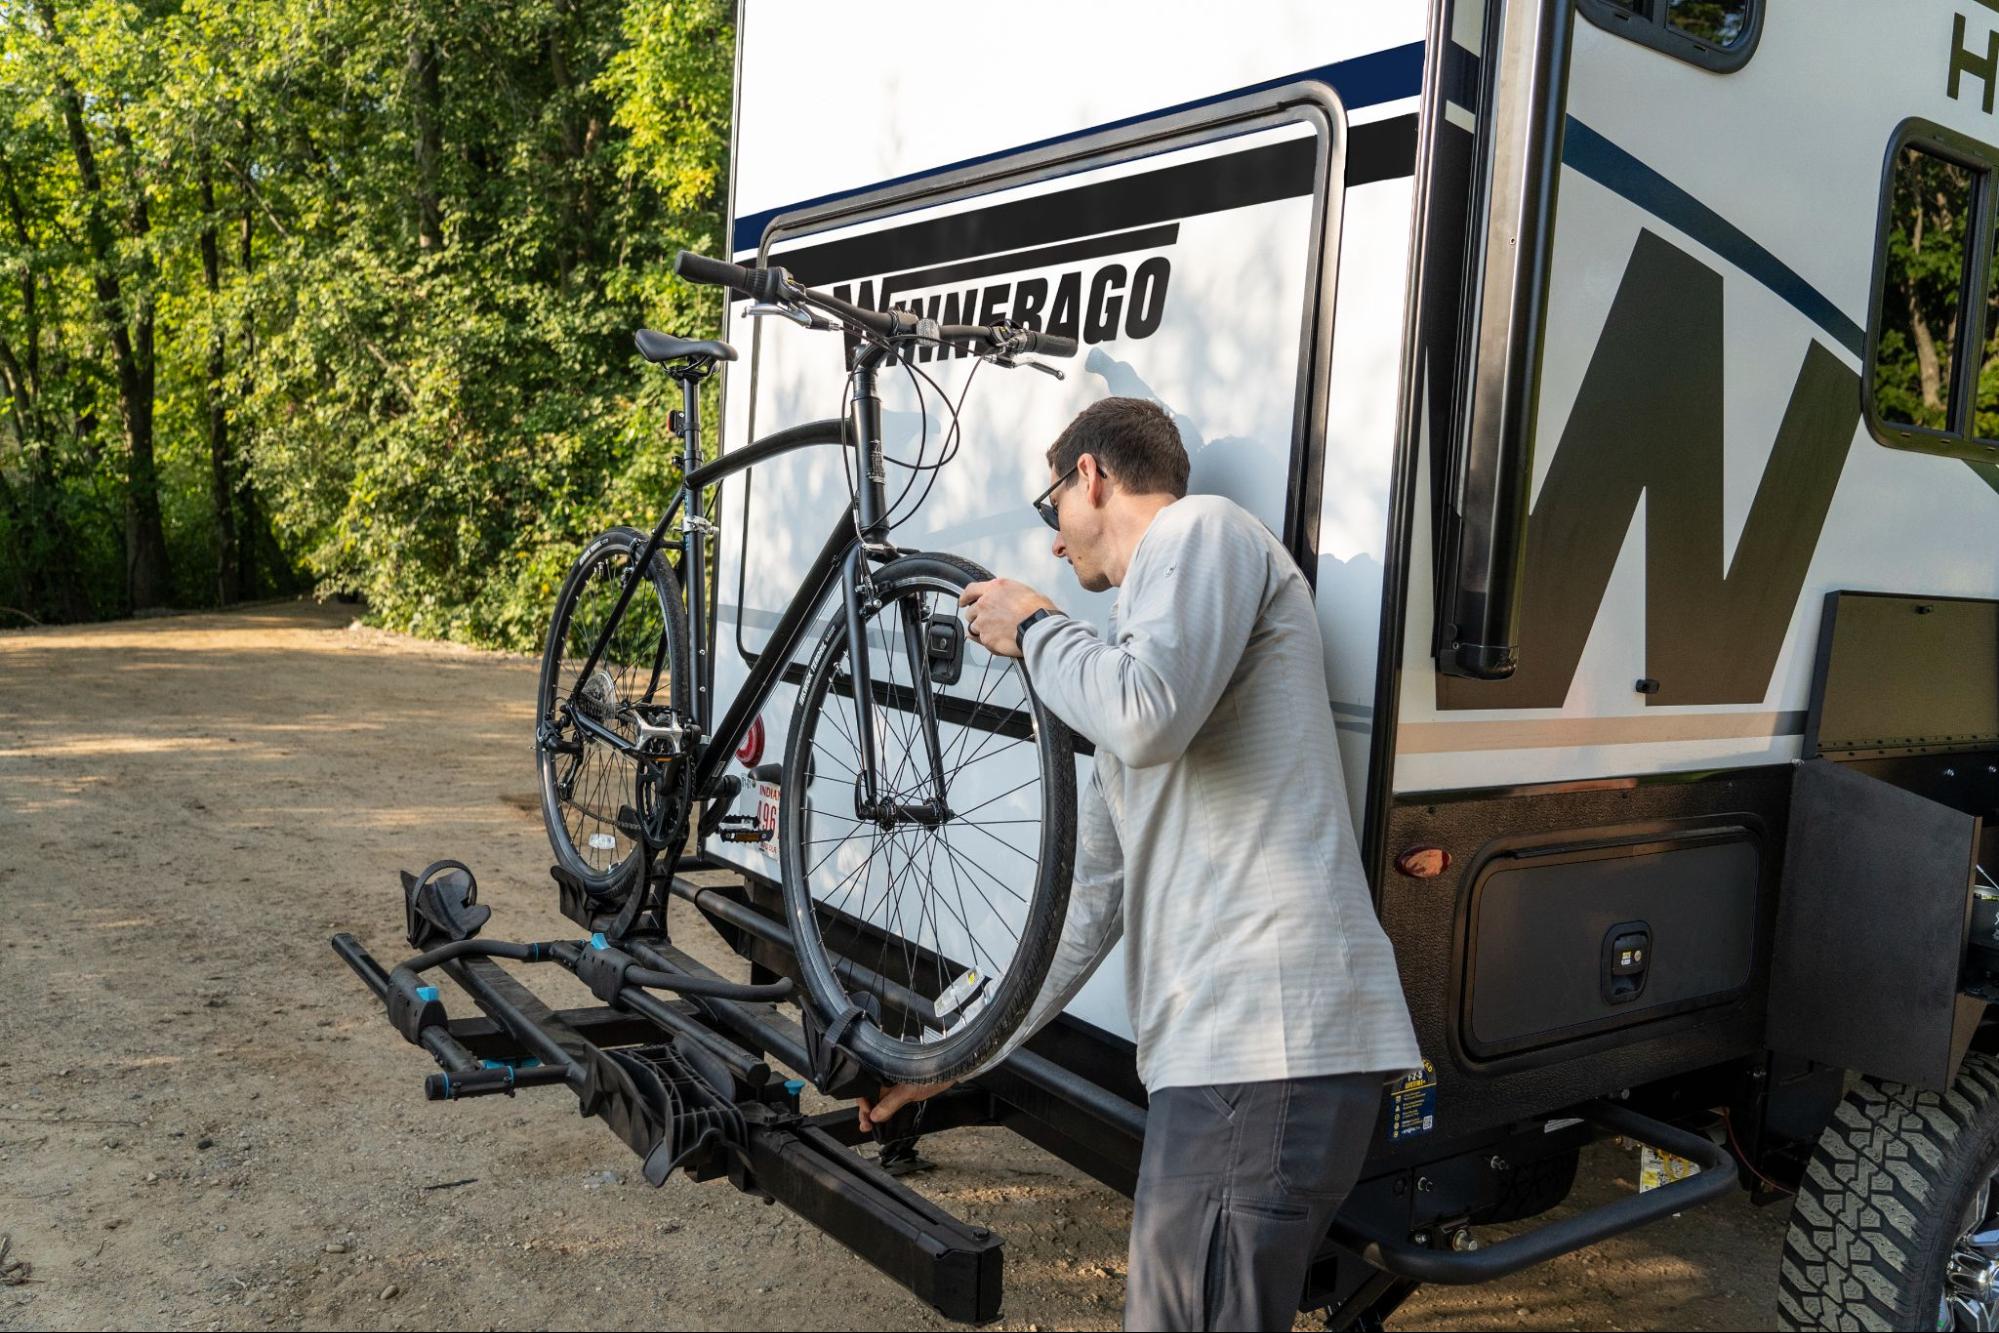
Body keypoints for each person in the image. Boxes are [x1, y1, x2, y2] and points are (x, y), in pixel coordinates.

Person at [856, 395, 1421, 1332]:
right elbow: (1085, 910)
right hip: (1229, 1067)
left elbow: (1147, 713)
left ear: (1092, 476)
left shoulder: (1203, 532)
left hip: (1261, 1054)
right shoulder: (1130, 664)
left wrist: (1035, 627)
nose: (1051, 545)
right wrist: (945, 1055)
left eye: (1051, 513)